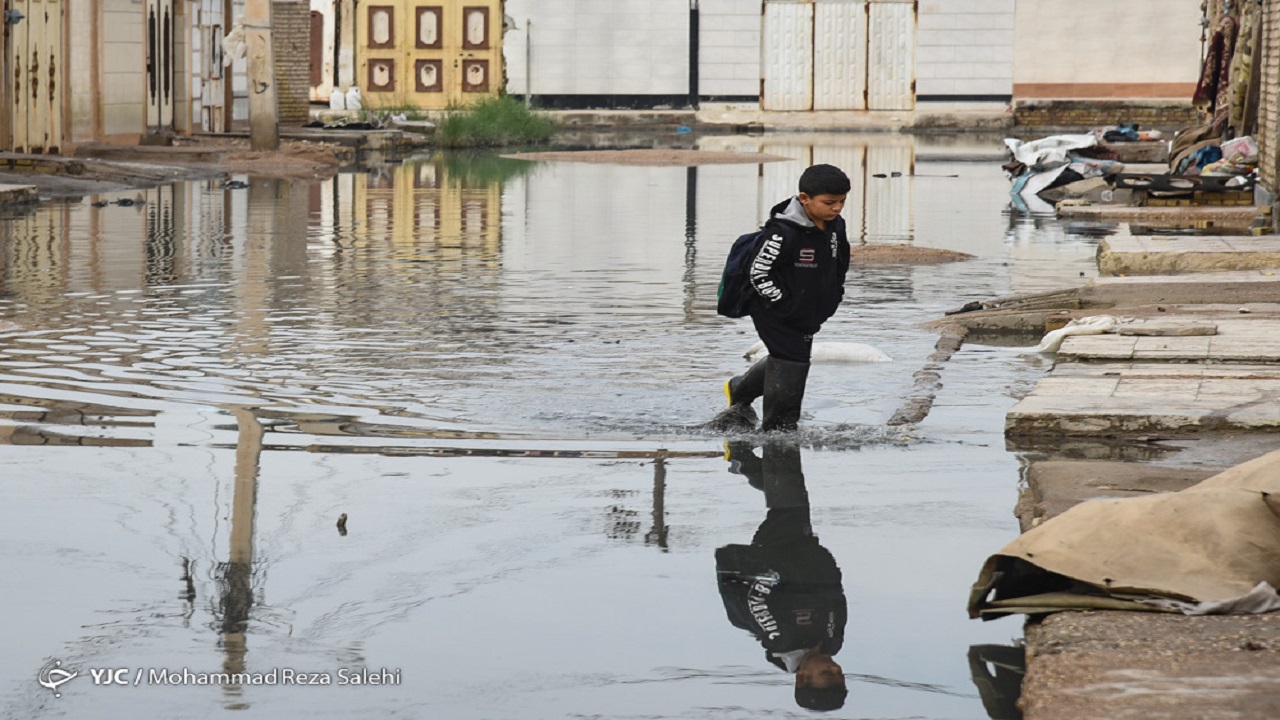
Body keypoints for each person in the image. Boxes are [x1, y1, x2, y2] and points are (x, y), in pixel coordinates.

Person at [714, 164, 851, 432]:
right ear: (804, 198)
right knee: (794, 359)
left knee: (786, 356)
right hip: (772, 309)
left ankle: (739, 389)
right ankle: (779, 429)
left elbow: (840, 263)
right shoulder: (781, 232)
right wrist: (783, 305)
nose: (836, 208)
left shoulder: (836, 226)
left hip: (810, 310)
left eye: (842, 202)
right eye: (829, 203)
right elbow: (758, 273)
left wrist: (834, 295)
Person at [715, 441, 848, 712]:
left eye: (826, 675)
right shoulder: (832, 643)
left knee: (791, 499)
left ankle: (765, 445)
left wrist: (783, 565)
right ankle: (749, 455)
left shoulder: (781, 639)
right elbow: (837, 598)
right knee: (790, 498)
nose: (833, 668)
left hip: (776, 551)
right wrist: (822, 561)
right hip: (805, 549)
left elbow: (759, 595)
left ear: (801, 677)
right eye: (838, 675)